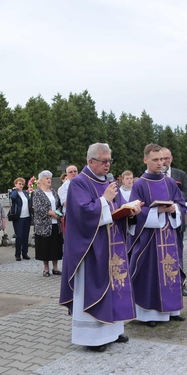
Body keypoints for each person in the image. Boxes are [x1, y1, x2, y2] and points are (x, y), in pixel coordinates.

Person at [60, 143, 140, 352]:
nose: (107, 165)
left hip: (113, 246)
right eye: (103, 161)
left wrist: (130, 212)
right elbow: (83, 215)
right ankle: (93, 338)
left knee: (115, 288)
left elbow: (118, 208)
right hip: (91, 249)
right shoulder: (79, 183)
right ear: (90, 162)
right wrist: (104, 199)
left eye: (109, 161)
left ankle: (113, 331)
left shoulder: (110, 182)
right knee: (95, 288)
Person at [128, 144, 187, 326]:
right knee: (150, 274)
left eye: (162, 159)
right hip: (149, 240)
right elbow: (134, 210)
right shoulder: (139, 184)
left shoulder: (169, 182)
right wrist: (156, 211)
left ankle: (173, 310)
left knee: (171, 271)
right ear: (145, 160)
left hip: (169, 235)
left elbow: (181, 203)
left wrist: (174, 208)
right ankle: (150, 315)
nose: (160, 163)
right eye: (155, 160)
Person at [162, 147, 187, 296]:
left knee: (177, 254)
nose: (164, 161)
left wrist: (175, 200)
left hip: (176, 218)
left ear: (171, 158)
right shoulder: (154, 176)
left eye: (167, 158)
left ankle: (182, 284)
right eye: (162, 158)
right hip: (159, 221)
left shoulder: (180, 174)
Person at [31, 170, 63, 277]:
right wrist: (51, 213)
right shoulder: (37, 193)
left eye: (50, 178)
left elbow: (59, 203)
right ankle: (46, 269)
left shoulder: (53, 192)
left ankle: (55, 268)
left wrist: (58, 212)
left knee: (55, 246)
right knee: (45, 246)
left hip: (55, 224)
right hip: (44, 225)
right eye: (46, 178)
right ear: (41, 181)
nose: (49, 180)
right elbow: (38, 208)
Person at [8, 177, 32, 261]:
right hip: (18, 218)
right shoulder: (13, 193)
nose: (21, 185)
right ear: (15, 184)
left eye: (22, 184)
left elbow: (29, 201)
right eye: (19, 184)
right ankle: (17, 254)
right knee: (19, 236)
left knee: (25, 236)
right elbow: (13, 198)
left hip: (27, 217)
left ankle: (25, 253)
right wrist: (15, 190)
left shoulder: (25, 193)